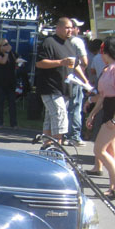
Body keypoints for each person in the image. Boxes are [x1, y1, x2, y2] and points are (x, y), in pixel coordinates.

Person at [85, 37, 115, 199]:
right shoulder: (108, 68)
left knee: (99, 149)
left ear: (108, 52)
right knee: (111, 150)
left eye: (103, 51)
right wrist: (93, 113)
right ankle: (113, 186)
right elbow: (103, 96)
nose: (100, 54)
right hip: (108, 108)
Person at [35, 17, 77, 145]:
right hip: (50, 87)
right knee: (59, 115)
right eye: (67, 27)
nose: (70, 30)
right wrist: (61, 62)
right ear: (58, 28)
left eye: (71, 28)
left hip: (64, 88)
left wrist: (85, 81)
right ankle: (57, 147)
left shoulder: (69, 44)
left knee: (50, 117)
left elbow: (76, 64)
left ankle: (46, 146)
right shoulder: (49, 42)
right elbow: (39, 63)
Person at [65, 19, 89, 146]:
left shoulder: (61, 41)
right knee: (75, 106)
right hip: (75, 78)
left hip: (63, 77)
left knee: (65, 106)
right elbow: (84, 62)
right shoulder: (77, 41)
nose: (78, 30)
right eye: (76, 27)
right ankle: (74, 135)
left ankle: (62, 134)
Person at [0, 38, 18, 128]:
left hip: (11, 81)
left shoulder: (12, 54)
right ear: (0, 47)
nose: (7, 46)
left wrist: (19, 62)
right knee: (0, 102)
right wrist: (6, 53)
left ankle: (13, 123)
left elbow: (17, 60)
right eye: (5, 45)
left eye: (8, 44)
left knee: (12, 103)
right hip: (1, 82)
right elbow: (3, 61)